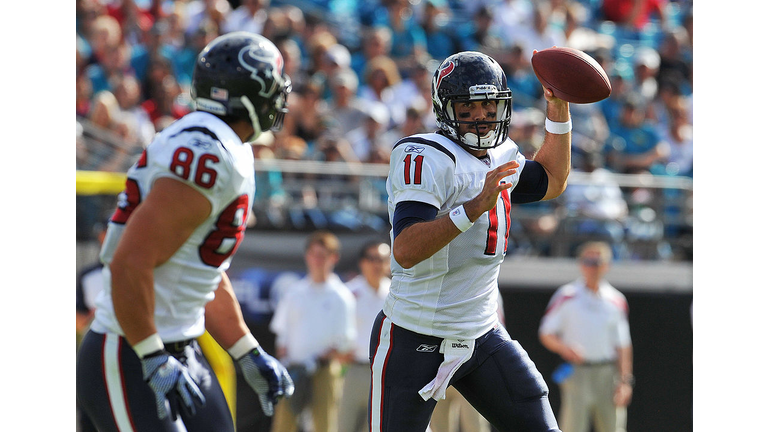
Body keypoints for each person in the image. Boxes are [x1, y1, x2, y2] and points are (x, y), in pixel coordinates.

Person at [76, 32, 295, 432]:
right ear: (249, 94)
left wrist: (246, 351)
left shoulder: (229, 147)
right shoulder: (207, 152)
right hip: (130, 349)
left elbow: (202, 270)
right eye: (273, 90)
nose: (279, 101)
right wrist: (151, 355)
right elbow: (129, 261)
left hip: (179, 346)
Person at [370, 50, 571, 431]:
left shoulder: (501, 154)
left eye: (488, 107)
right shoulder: (424, 155)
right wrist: (473, 208)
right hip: (414, 334)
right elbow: (407, 249)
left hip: (480, 332)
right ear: (446, 111)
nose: (480, 118)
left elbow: (552, 180)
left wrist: (558, 109)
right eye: (467, 109)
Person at [539, 241, 633, 432]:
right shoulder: (566, 295)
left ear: (607, 265)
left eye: (598, 261)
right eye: (588, 261)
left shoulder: (616, 300)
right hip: (577, 373)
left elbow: (623, 345)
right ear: (580, 264)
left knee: (613, 428)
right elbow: (546, 333)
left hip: (607, 375)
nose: (592, 267)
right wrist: (564, 349)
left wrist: (625, 382)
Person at [269, 230, 357, 432]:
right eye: (314, 254)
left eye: (323, 255)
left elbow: (344, 341)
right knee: (283, 424)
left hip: (324, 372)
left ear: (333, 258)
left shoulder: (341, 296)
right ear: (307, 256)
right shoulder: (294, 292)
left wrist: (316, 361)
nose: (317, 260)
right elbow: (281, 332)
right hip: (293, 370)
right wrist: (286, 359)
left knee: (324, 425)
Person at [337, 241, 392, 432]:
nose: (377, 264)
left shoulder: (397, 293)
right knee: (346, 426)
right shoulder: (348, 292)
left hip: (386, 373)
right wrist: (338, 353)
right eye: (372, 259)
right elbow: (331, 326)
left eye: (383, 259)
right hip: (353, 370)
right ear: (362, 262)